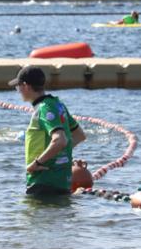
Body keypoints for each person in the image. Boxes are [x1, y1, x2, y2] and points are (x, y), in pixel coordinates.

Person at [10, 66, 87, 197]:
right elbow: (79, 135)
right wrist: (59, 156)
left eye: (18, 87)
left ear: (26, 86)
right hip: (62, 181)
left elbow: (60, 140)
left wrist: (37, 163)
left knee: (31, 216)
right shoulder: (58, 105)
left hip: (43, 182)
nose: (18, 91)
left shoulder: (44, 108)